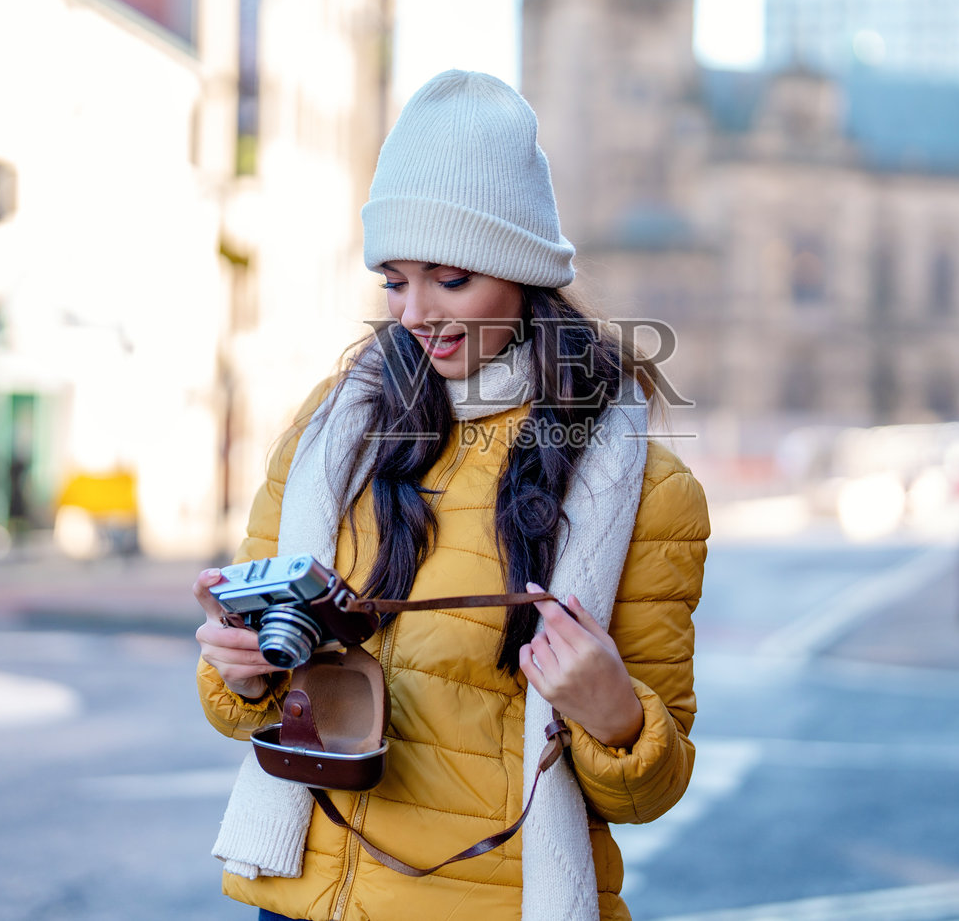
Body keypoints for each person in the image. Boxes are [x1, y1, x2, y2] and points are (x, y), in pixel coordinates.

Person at [192, 70, 709, 921]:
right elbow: (239, 704)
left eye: (450, 279)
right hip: (295, 899)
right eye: (395, 281)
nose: (416, 312)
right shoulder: (330, 439)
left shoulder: (643, 488)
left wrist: (614, 712)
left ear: (521, 273)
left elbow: (648, 789)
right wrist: (239, 667)